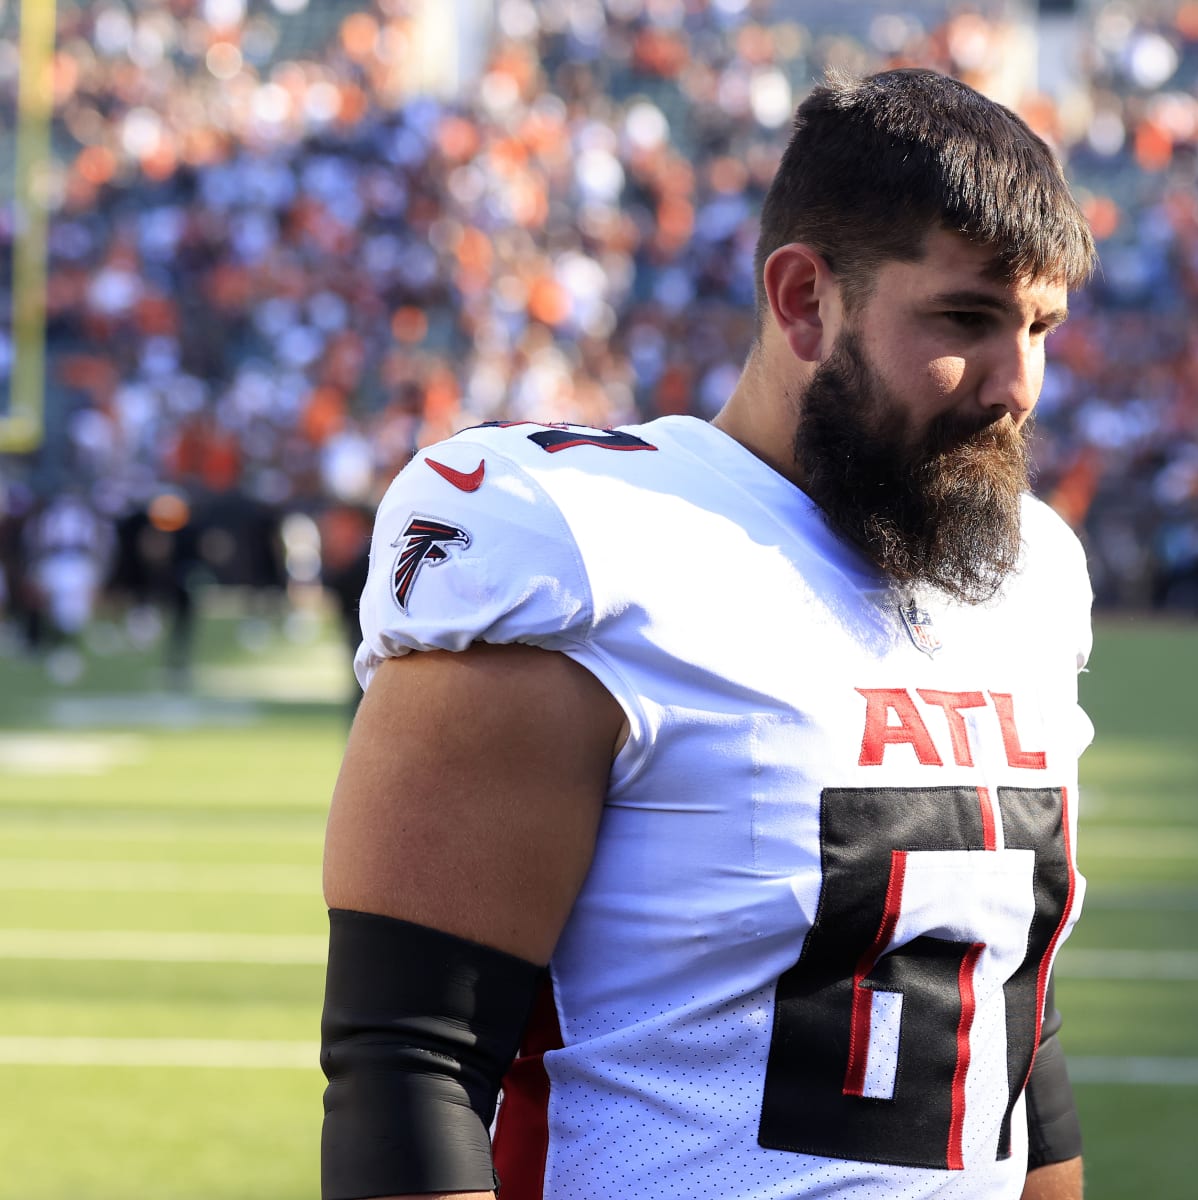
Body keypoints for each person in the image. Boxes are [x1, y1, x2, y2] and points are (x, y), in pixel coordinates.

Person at [320, 69, 1097, 1200]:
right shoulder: (587, 546)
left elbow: (1011, 1025)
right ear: (802, 300)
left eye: (1040, 327)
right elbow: (410, 1058)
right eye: (965, 319)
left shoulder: (1031, 573)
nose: (1015, 382)